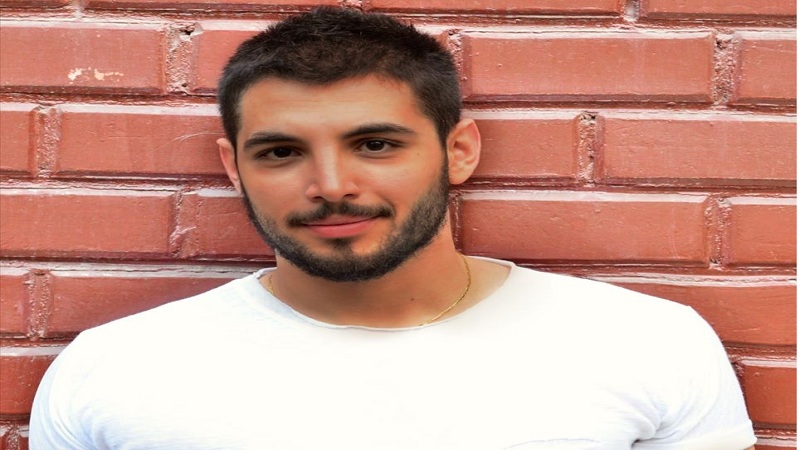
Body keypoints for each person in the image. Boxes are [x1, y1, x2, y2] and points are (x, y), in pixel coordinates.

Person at [30, 7, 757, 450]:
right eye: (280, 152)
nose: (331, 185)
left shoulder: (646, 343)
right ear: (234, 167)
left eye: (375, 144)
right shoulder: (113, 373)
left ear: (458, 151)